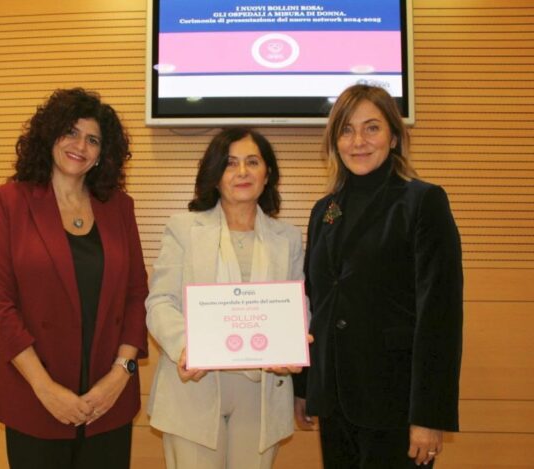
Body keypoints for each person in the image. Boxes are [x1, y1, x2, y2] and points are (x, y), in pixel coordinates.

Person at [0, 88, 148, 469]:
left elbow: (137, 294)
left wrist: (119, 376)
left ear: (103, 153)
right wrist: (45, 388)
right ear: (49, 135)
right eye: (70, 132)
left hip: (108, 397)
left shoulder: (119, 207)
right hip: (34, 393)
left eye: (93, 140)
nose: (80, 146)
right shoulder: (12, 200)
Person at [293, 84, 463, 468]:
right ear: (335, 141)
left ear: (394, 137)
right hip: (335, 402)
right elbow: (315, 305)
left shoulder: (423, 202)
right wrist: (305, 387)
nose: (358, 141)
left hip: (396, 405)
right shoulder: (324, 211)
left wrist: (429, 415)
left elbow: (440, 316)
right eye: (346, 130)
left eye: (371, 128)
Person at [146, 127, 304, 469]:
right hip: (194, 386)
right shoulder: (183, 228)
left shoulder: (288, 238)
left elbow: (297, 304)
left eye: (252, 162)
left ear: (267, 174)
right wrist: (186, 347)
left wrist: (293, 343)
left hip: (262, 390)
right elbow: (160, 301)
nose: (242, 172)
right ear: (215, 175)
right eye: (230, 163)